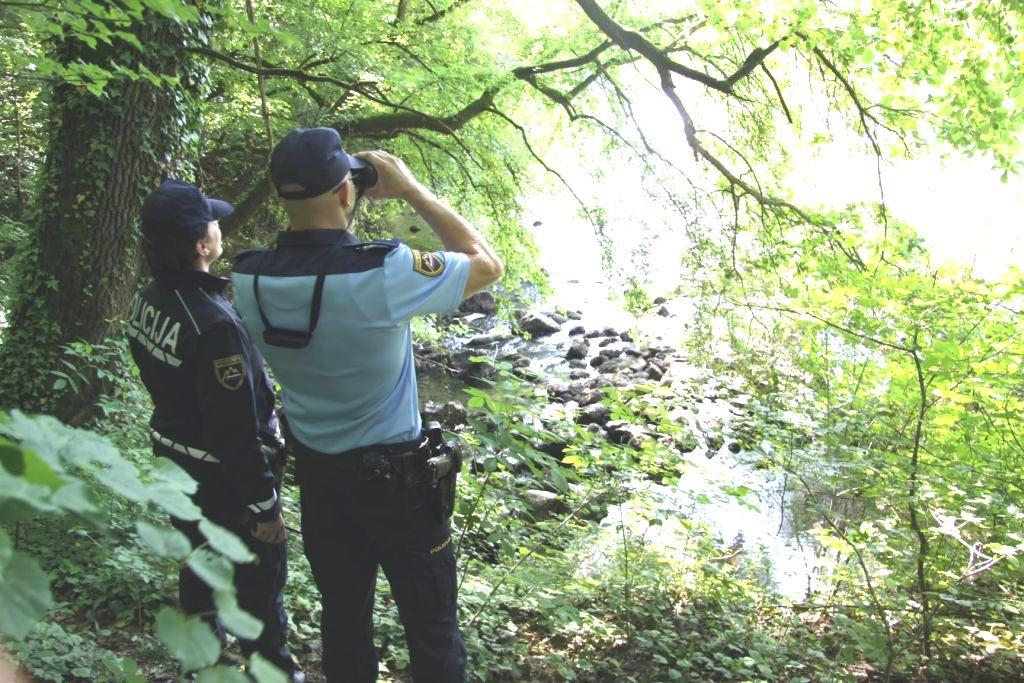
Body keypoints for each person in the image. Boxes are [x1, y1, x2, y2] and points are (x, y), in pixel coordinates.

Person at [229, 127, 503, 682]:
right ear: (347, 194)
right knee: (432, 629)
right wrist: (413, 191)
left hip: (322, 483)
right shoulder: (383, 272)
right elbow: (485, 263)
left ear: (281, 196)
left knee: (344, 622)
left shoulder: (247, 277)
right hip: (400, 488)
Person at [126, 179, 301, 681]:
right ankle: (275, 672)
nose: (221, 226)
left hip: (176, 467)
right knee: (258, 594)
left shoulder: (148, 298)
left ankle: (202, 665)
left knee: (198, 570)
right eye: (213, 222)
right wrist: (264, 507)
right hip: (222, 482)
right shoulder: (213, 325)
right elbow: (235, 432)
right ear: (202, 245)